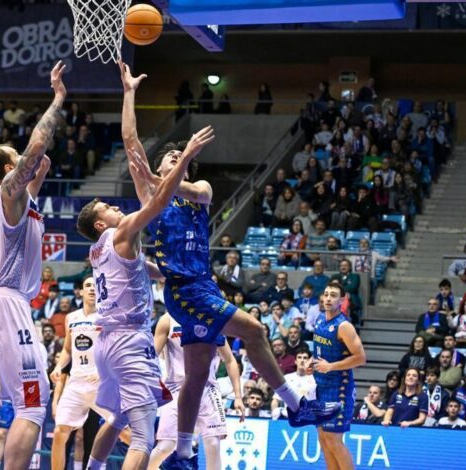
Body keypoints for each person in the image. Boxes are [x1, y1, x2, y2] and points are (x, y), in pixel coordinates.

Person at [116, 62, 342, 462]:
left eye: (175, 156)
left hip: (203, 287)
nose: (170, 157)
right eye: (167, 156)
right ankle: (295, 405)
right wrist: (129, 92)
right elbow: (131, 141)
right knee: (254, 331)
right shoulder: (152, 196)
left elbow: (179, 183)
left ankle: (183, 452)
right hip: (182, 292)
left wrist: (181, 160)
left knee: (199, 373)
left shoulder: (199, 189)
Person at [76, 71, 215, 469]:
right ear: (102, 223)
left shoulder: (105, 248)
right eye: (108, 208)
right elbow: (134, 150)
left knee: (117, 416)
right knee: (142, 433)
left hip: (107, 340)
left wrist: (129, 93)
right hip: (127, 339)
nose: (116, 207)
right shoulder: (125, 229)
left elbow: (147, 270)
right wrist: (184, 154)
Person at [0, 61, 65, 469]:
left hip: (2, 305)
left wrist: (38, 174)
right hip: (8, 304)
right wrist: (58, 98)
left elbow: (35, 173)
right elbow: (38, 147)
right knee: (33, 406)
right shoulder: (7, 193)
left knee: (26, 401)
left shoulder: (16, 199)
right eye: (19, 160)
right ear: (11, 170)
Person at [149, 312, 243, 470]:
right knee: (165, 446)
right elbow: (151, 357)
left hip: (208, 388)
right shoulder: (167, 320)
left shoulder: (211, 318)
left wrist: (238, 396)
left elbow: (230, 359)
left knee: (213, 443)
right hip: (176, 388)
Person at [49, 277, 110, 470]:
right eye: (88, 286)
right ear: (81, 292)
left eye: (95, 286)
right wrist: (58, 367)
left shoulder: (108, 316)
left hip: (100, 384)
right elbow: (67, 349)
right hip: (75, 384)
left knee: (125, 432)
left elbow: (117, 349)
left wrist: (105, 373)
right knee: (60, 432)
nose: (92, 289)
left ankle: (155, 463)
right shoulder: (71, 317)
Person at [312, 281, 367, 470]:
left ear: (342, 300)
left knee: (334, 439)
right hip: (319, 387)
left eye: (333, 295)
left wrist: (331, 366)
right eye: (326, 294)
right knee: (323, 438)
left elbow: (361, 358)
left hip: (338, 388)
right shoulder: (320, 318)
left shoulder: (344, 326)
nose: (328, 298)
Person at [271, 349, 317, 420]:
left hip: (308, 418)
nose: (302, 360)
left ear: (309, 362)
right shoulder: (286, 378)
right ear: (295, 361)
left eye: (305, 358)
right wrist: (274, 417)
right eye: (299, 357)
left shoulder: (315, 379)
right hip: (288, 417)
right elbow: (275, 400)